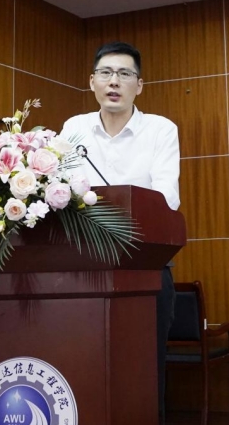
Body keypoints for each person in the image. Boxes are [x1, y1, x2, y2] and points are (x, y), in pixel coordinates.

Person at [60, 41, 180, 425]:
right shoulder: (74, 129)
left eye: (125, 74)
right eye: (106, 73)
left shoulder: (160, 129)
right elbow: (60, 190)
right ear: (92, 81)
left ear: (139, 85)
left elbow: (167, 198)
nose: (114, 82)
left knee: (143, 371)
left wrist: (107, 209)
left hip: (145, 268)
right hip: (82, 266)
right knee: (83, 364)